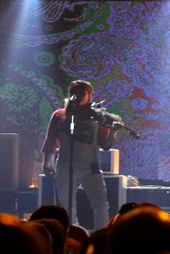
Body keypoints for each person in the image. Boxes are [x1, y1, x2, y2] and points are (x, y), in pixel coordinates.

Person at [41, 79, 117, 231]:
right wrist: (47, 162)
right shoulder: (60, 115)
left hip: (91, 166)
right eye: (75, 92)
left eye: (83, 92)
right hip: (65, 165)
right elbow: (51, 141)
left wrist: (112, 131)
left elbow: (105, 145)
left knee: (100, 204)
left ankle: (101, 237)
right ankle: (72, 236)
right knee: (66, 205)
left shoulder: (97, 117)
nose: (78, 95)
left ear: (90, 96)